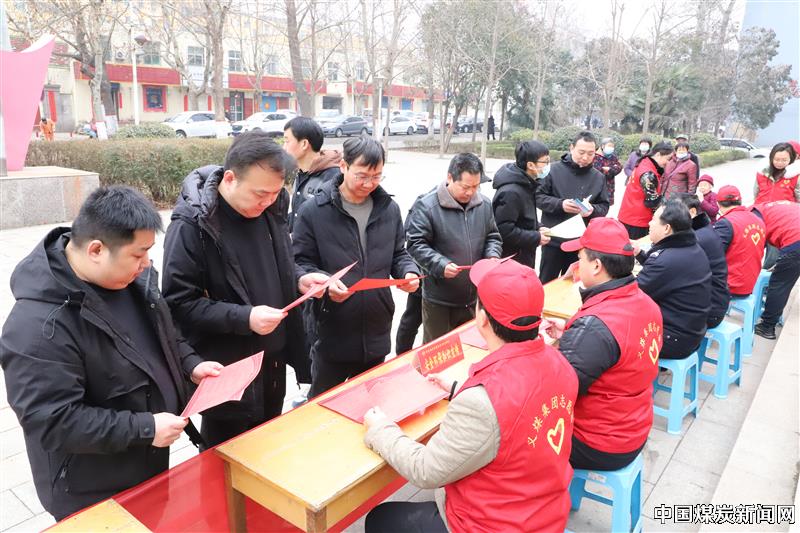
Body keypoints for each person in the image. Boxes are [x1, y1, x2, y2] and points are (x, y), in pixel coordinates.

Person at [0, 186, 222, 520]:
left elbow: (165, 332)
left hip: (146, 464)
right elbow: (53, 420)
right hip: (91, 488)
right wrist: (145, 428)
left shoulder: (132, 281)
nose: (146, 263)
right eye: (138, 254)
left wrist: (190, 364)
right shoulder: (37, 327)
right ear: (96, 250)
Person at [362, 259, 578, 533]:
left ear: (482, 318)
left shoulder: (482, 402)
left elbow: (426, 470)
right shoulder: (559, 361)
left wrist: (381, 429)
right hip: (546, 510)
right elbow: (516, 406)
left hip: (495, 525)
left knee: (380, 519)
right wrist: (458, 389)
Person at [162, 131, 315, 448]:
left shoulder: (270, 209)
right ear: (230, 179)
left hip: (272, 360)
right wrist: (245, 317)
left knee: (267, 446)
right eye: (260, 193)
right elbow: (178, 302)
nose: (268, 201)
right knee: (226, 455)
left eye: (275, 193)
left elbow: (280, 262)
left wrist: (298, 278)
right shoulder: (193, 224)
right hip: (228, 367)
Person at [293, 136, 420, 397]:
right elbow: (299, 262)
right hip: (332, 328)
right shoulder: (314, 211)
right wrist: (325, 283)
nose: (369, 184)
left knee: (371, 401)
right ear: (343, 166)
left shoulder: (388, 209)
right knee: (325, 403)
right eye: (361, 176)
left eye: (376, 176)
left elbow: (398, 253)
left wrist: (409, 271)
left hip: (376, 327)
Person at [555, 217, 662, 471]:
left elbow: (559, 390)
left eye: (580, 258)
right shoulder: (645, 302)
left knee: (519, 434)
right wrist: (571, 332)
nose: (577, 264)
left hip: (599, 441)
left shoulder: (595, 326)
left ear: (596, 266)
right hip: (634, 424)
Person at [407, 153, 503, 342]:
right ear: (450, 177)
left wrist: (492, 256)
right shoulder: (427, 206)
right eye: (465, 187)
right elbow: (415, 244)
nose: (470, 192)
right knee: (439, 350)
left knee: (472, 346)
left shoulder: (484, 204)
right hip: (439, 299)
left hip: (474, 296)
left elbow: (493, 236)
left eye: (475, 186)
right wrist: (440, 264)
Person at [636, 200, 711, 359]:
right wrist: (639, 254)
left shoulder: (666, 260)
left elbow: (632, 294)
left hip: (674, 340)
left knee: (613, 328)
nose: (649, 223)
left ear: (667, 228)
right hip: (691, 331)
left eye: (653, 220)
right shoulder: (692, 248)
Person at [535, 130, 610, 282]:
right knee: (546, 281)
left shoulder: (598, 177)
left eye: (590, 154)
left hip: (580, 242)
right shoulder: (553, 170)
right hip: (553, 238)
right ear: (571, 148)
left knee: (573, 283)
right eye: (581, 152)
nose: (585, 157)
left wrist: (592, 210)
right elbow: (538, 197)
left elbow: (604, 206)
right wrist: (560, 204)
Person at [491, 140, 552, 270]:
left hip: (523, 255)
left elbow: (524, 218)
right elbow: (504, 230)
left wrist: (538, 227)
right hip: (511, 261)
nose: (548, 165)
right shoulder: (511, 192)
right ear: (530, 165)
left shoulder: (527, 183)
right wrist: (536, 237)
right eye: (545, 162)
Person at [675, 193, 730, 328]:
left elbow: (674, 272)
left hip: (710, 310)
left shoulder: (697, 238)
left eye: (676, 211)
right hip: (715, 302)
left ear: (692, 212)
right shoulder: (704, 229)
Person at [283, 116, 342, 231]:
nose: (283, 147)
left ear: (304, 144)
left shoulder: (333, 176)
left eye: (287, 141)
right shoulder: (301, 172)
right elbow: (297, 214)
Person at [751, 201, 800, 339]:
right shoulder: (770, 208)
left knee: (779, 284)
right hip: (795, 237)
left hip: (796, 240)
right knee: (785, 278)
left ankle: (767, 327)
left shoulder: (753, 218)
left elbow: (753, 248)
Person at [713, 185, 766, 298]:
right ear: (740, 201)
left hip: (731, 286)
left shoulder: (726, 223)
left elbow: (714, 255)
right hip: (751, 283)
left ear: (718, 204)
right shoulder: (758, 220)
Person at [618, 142, 674, 239]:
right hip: (637, 220)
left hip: (629, 214)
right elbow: (653, 201)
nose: (669, 163)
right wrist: (671, 207)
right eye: (668, 159)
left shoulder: (644, 163)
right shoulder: (648, 173)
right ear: (658, 155)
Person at [592, 137, 623, 205]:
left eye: (612, 146)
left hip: (609, 187)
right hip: (597, 186)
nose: (611, 148)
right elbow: (596, 170)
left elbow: (619, 167)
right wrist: (611, 170)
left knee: (606, 206)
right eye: (609, 146)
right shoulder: (595, 156)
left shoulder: (613, 157)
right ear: (603, 146)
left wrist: (610, 170)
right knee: (596, 206)